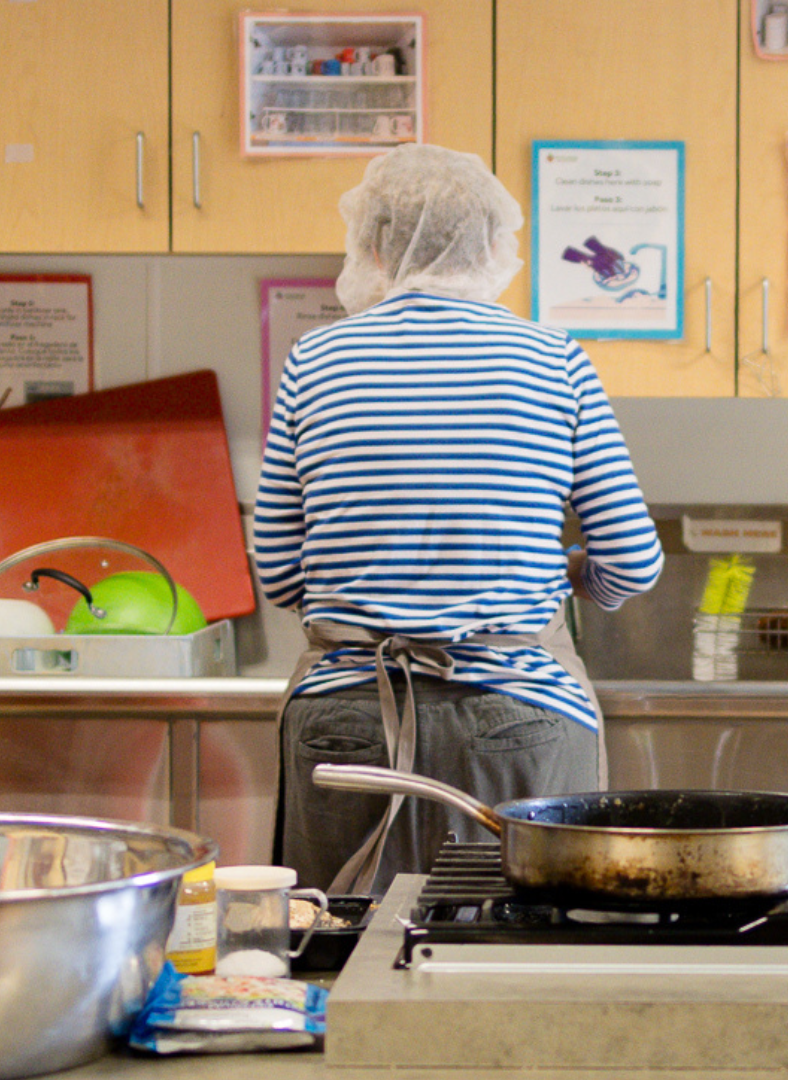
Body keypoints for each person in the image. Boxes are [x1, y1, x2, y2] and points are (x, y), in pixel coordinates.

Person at [256, 143, 664, 896]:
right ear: (493, 247)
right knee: (510, 973)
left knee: (342, 964)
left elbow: (280, 575)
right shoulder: (554, 358)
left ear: (373, 245)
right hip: (520, 716)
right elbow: (634, 562)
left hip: (346, 724)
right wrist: (570, 572)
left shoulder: (314, 360)